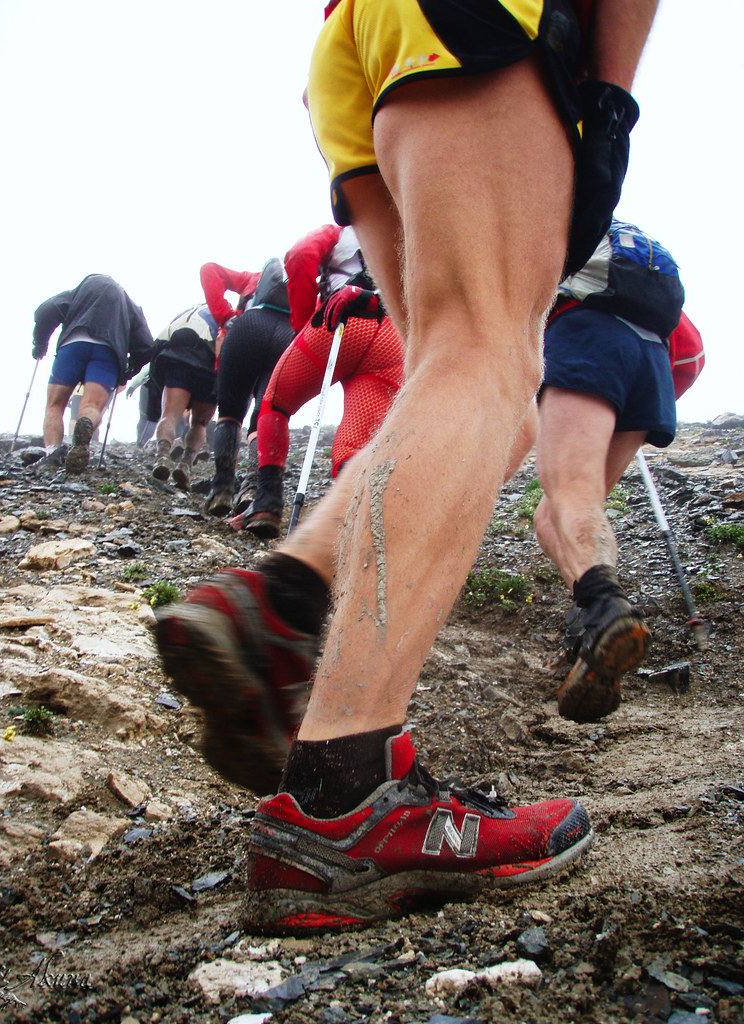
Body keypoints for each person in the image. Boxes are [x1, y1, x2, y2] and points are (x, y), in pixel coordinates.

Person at [156, 0, 658, 934]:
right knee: (494, 361)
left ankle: (281, 604)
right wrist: (614, 100)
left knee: (461, 375)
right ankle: (344, 795)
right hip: (482, 22)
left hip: (360, 48)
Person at [534, 220, 681, 724]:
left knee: (569, 491)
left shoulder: (568, 230)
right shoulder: (636, 253)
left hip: (589, 339)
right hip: (654, 361)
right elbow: (692, 342)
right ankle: (588, 633)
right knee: (554, 513)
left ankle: (605, 608)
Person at [232, 224, 405, 539]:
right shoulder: (404, 231)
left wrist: (301, 323)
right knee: (353, 444)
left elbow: (299, 256)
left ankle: (266, 502)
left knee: (275, 402)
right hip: (390, 333)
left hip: (341, 316)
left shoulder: (340, 231)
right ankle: (354, 530)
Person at [32, 274, 153, 473]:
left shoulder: (78, 293)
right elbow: (147, 346)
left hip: (72, 346)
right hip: (108, 352)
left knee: (55, 405)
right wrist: (128, 370)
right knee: (92, 406)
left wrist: (40, 342)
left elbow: (45, 311)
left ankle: (52, 453)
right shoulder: (129, 305)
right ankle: (84, 428)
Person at [204, 258, 295, 517]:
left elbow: (209, 270)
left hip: (248, 326)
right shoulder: (302, 283)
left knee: (230, 413)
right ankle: (253, 489)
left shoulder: (251, 278)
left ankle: (221, 489)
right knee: (266, 413)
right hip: (287, 335)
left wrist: (225, 316)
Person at [149, 304, 218, 490]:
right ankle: (186, 464)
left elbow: (158, 345)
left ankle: (162, 456)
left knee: (170, 414)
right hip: (209, 366)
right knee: (199, 424)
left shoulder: (184, 315)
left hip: (176, 359)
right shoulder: (221, 315)